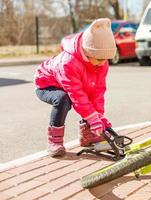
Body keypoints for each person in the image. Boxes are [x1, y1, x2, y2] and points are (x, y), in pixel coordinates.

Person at [34, 18, 116, 157]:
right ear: (87, 51)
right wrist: (92, 118)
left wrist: (98, 116)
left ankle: (88, 135)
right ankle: (55, 141)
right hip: (47, 84)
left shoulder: (101, 63)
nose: (103, 63)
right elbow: (76, 95)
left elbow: (98, 92)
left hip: (69, 85)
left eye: (106, 60)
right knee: (63, 99)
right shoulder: (68, 63)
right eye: (100, 59)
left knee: (90, 90)